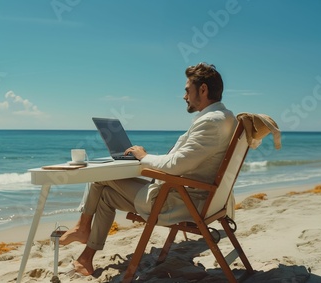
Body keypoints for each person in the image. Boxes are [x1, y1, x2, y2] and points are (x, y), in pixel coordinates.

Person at [59, 62, 237, 276]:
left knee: (99, 177)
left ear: (203, 89)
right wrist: (147, 159)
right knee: (105, 195)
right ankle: (85, 258)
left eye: (187, 89)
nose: (184, 96)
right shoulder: (225, 117)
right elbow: (184, 159)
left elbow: (176, 165)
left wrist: (143, 158)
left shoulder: (211, 122)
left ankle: (82, 228)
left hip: (180, 201)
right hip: (192, 195)